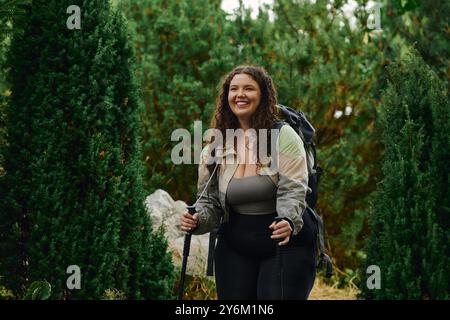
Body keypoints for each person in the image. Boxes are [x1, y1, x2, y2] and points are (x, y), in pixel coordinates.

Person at [180, 65, 317, 300]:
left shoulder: (283, 136)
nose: (240, 94)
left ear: (263, 95)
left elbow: (294, 189)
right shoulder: (215, 145)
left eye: (249, 89)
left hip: (285, 243)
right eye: (233, 89)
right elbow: (209, 201)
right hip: (234, 244)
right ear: (226, 97)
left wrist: (287, 220)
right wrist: (197, 220)